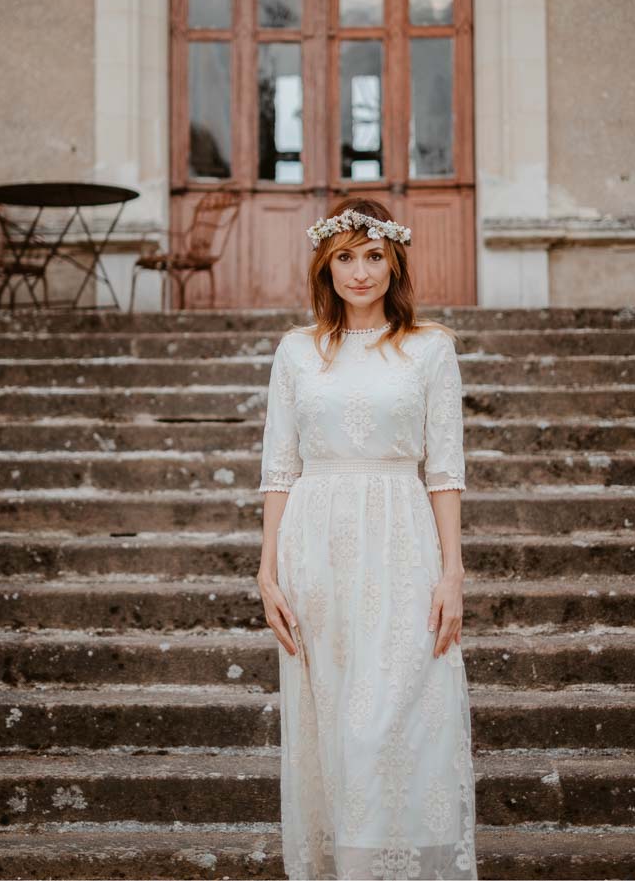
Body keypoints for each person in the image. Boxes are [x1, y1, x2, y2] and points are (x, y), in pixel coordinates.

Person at [254, 196, 477, 878]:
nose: (360, 271)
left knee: (398, 716)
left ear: (395, 261)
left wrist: (452, 573)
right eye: (345, 257)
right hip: (315, 549)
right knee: (336, 729)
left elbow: (443, 468)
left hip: (403, 543)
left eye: (374, 256)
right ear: (326, 265)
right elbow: (279, 465)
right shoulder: (297, 351)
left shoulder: (429, 349)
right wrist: (266, 571)